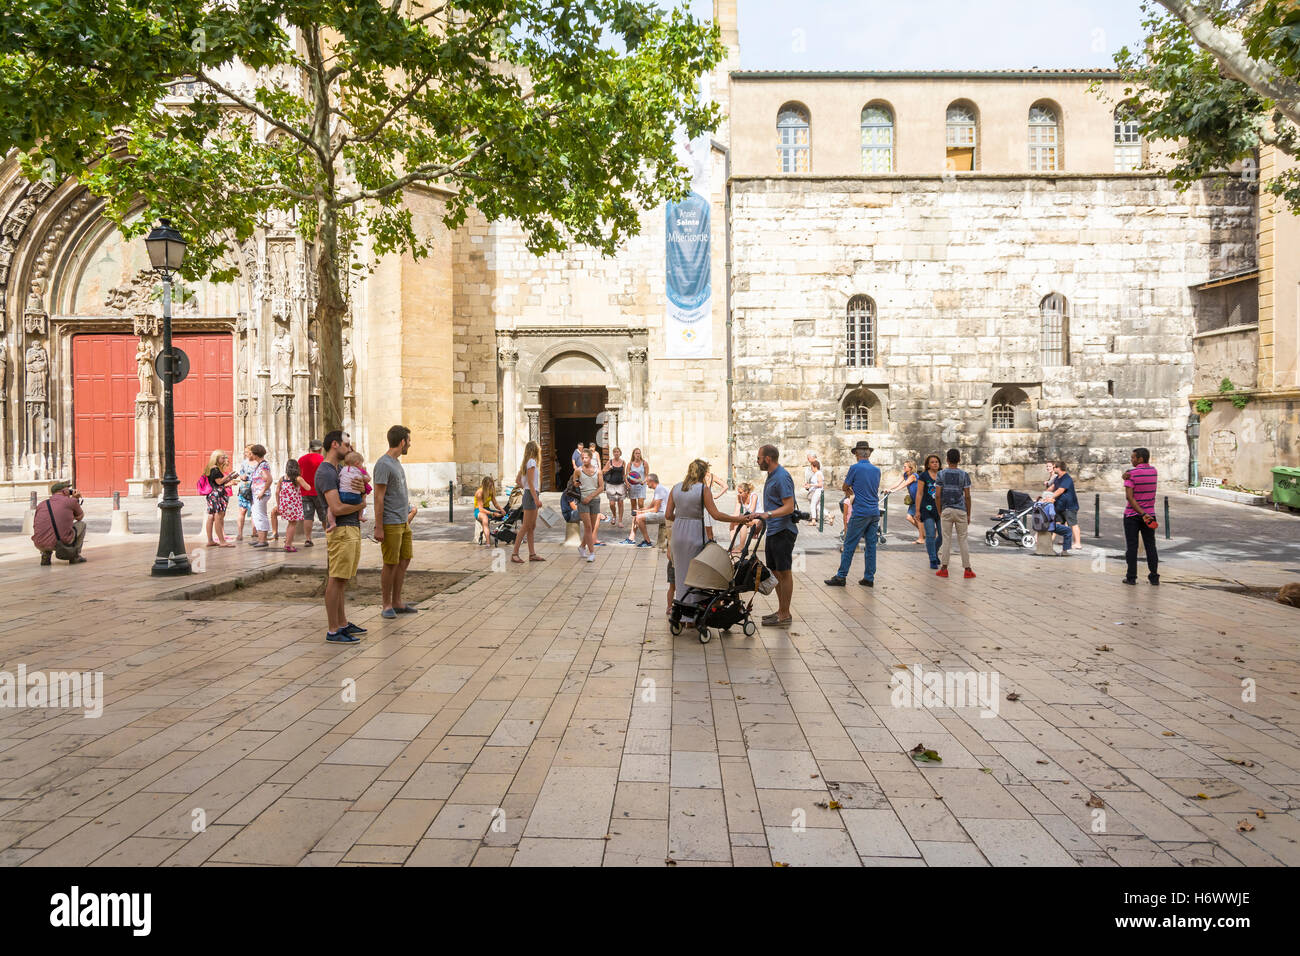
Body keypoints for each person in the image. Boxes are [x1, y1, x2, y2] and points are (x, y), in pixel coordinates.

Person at [665, 459, 752, 614]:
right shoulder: (703, 489)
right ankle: (694, 614)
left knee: (681, 574)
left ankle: (682, 611)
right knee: (696, 574)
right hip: (695, 532)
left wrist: (681, 520)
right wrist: (739, 519)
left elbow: (667, 514)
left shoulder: (676, 488)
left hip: (678, 533)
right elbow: (716, 515)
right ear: (704, 473)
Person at [315, 430, 367, 643]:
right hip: (341, 530)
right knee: (336, 579)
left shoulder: (340, 470)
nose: (350, 448)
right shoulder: (326, 472)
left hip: (351, 528)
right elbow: (335, 507)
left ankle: (342, 623)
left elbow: (359, 490)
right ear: (335, 444)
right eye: (347, 444)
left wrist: (362, 490)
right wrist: (362, 504)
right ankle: (333, 630)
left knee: (343, 579)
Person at [374, 424, 420, 618]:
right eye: (409, 441)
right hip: (390, 522)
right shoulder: (383, 464)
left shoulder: (396, 463)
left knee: (404, 559)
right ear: (402, 442)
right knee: (390, 563)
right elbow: (378, 497)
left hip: (402, 521)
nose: (410, 444)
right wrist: (379, 526)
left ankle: (397, 601)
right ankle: (386, 605)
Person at [750, 444, 797, 627]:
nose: (758, 461)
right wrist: (762, 522)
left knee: (784, 572)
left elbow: (789, 506)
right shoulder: (771, 476)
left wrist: (767, 515)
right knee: (775, 573)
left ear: (768, 459)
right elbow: (773, 505)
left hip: (784, 531)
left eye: (759, 458)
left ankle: (785, 613)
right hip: (773, 529)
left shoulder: (782, 477)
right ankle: (781, 610)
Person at [825, 441, 881, 587]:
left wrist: (850, 492)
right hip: (874, 511)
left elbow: (845, 486)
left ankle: (841, 576)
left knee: (849, 543)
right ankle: (869, 577)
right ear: (868, 453)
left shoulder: (855, 468)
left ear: (857, 454)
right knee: (871, 546)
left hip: (860, 511)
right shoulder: (876, 470)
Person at [934, 448, 975, 579]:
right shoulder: (964, 475)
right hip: (961, 509)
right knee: (963, 539)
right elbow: (967, 496)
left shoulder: (941, 474)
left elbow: (938, 495)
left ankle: (944, 569)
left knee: (946, 539)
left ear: (947, 459)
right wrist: (968, 513)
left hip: (946, 509)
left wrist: (939, 510)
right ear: (959, 460)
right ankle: (968, 569)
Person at [1122, 447, 1159, 586]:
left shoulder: (1131, 474)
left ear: (1140, 459)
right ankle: (1154, 577)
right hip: (1150, 515)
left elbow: (1129, 498)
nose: (1131, 460)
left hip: (1132, 515)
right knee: (1151, 546)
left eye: (1133, 458)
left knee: (1132, 547)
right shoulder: (1154, 472)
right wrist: (1146, 514)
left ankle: (1131, 577)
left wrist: (1141, 513)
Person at [32, 481, 86, 565]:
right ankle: (75, 556)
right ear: (64, 491)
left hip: (39, 543)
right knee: (82, 525)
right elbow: (80, 517)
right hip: (59, 542)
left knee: (48, 529)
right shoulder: (70, 501)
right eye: (69, 489)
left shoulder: (42, 504)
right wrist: (75, 499)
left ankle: (45, 554)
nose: (71, 491)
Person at [511, 440, 544, 563]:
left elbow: (518, 480)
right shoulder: (532, 462)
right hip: (531, 495)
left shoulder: (525, 463)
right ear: (535, 449)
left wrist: (524, 487)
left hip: (530, 494)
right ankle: (514, 553)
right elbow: (530, 482)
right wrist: (536, 499)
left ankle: (532, 554)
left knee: (531, 526)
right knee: (526, 526)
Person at [1044, 460, 1080, 555]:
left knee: (1073, 524)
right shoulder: (1058, 478)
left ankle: (1077, 543)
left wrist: (1050, 497)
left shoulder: (1066, 478)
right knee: (1056, 524)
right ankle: (1049, 546)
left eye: (1054, 467)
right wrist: (1044, 495)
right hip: (1059, 507)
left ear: (1058, 468)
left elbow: (1060, 490)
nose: (1053, 468)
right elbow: (1053, 487)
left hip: (1069, 506)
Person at [574, 448, 604, 563]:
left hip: (594, 500)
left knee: (591, 527)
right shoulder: (578, 470)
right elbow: (574, 484)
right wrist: (576, 484)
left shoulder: (598, 471)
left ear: (591, 458)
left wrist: (590, 497)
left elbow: (601, 487)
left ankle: (582, 546)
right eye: (582, 458)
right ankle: (591, 553)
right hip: (582, 501)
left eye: (586, 457)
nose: (584, 460)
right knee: (588, 527)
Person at [203, 450, 237, 547]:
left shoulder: (210, 468)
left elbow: (218, 482)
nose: (224, 459)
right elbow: (219, 482)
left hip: (212, 494)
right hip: (217, 495)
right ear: (216, 458)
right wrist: (229, 476)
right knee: (218, 517)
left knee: (211, 516)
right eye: (222, 457)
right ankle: (222, 541)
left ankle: (210, 540)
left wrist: (229, 478)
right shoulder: (215, 469)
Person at [916, 454, 944, 570]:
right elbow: (919, 493)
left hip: (941, 509)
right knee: (931, 534)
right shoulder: (924, 476)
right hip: (927, 508)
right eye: (932, 462)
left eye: (937, 462)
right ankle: (932, 558)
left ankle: (935, 550)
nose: (935, 463)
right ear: (928, 464)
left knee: (943, 536)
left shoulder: (943, 475)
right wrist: (917, 510)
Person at [275, 459, 310, 552]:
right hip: (294, 505)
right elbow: (308, 487)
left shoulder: (282, 479)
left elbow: (277, 492)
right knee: (293, 525)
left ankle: (288, 543)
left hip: (285, 505)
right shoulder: (297, 478)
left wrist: (278, 505)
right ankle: (288, 545)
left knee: (290, 524)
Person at [886, 460, 924, 544]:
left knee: (918, 518)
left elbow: (904, 484)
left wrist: (893, 491)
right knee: (909, 517)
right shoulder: (905, 475)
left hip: (920, 500)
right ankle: (925, 533)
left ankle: (922, 538)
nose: (903, 467)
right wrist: (889, 488)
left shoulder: (914, 476)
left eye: (905, 466)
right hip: (914, 500)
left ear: (910, 468)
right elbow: (898, 483)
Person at [298, 439, 325, 548]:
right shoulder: (323, 459)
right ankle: (329, 537)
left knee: (308, 516)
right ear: (320, 449)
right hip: (320, 492)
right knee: (324, 516)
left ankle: (308, 539)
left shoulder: (301, 459)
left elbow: (298, 475)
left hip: (305, 492)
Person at [627, 473, 668, 546]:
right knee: (637, 514)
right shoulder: (658, 488)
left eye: (647, 482)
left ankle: (647, 541)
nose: (646, 484)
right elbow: (650, 507)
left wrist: (641, 512)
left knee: (639, 518)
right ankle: (631, 538)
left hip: (664, 515)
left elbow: (655, 509)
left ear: (652, 481)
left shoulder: (659, 490)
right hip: (661, 513)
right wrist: (639, 510)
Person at [248, 444, 273, 548]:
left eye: (251, 453)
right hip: (257, 494)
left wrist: (262, 491)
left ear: (255, 454)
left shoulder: (263, 465)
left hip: (261, 494)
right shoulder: (260, 465)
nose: (250, 455)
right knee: (256, 515)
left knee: (260, 516)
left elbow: (269, 479)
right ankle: (260, 538)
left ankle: (262, 540)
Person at [336, 451, 371, 525]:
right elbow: (367, 479)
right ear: (357, 463)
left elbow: (339, 478)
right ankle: (360, 516)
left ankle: (332, 522)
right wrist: (366, 473)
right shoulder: (357, 471)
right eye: (362, 463)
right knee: (362, 500)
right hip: (354, 496)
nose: (362, 465)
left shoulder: (343, 469)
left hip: (342, 495)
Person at [474, 476, 505, 545]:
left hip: (487, 509)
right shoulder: (479, 493)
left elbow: (495, 504)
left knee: (504, 515)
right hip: (479, 510)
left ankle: (507, 536)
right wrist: (492, 513)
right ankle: (488, 542)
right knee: (485, 519)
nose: (490, 488)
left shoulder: (491, 491)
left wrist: (501, 509)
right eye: (489, 486)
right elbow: (481, 509)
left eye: (491, 486)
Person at [234, 445, 255, 541]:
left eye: (247, 452)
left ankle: (255, 532)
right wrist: (242, 476)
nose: (245, 454)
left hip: (254, 489)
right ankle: (240, 533)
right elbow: (241, 473)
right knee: (242, 511)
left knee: (254, 512)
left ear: (252, 452)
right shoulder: (244, 463)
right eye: (245, 452)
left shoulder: (257, 463)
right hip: (244, 489)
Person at [603, 447, 627, 528]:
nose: (616, 453)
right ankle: (614, 515)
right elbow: (603, 471)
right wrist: (608, 468)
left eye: (618, 452)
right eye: (615, 452)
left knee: (620, 503)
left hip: (620, 485)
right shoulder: (609, 462)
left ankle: (620, 521)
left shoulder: (623, 462)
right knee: (612, 504)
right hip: (611, 485)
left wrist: (626, 483)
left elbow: (624, 474)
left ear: (620, 453)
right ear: (613, 453)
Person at [626, 449, 648, 517]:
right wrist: (627, 483)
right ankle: (635, 520)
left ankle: (641, 518)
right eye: (636, 453)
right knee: (633, 505)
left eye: (639, 453)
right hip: (632, 487)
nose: (638, 455)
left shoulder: (644, 463)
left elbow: (647, 475)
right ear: (633, 454)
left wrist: (644, 481)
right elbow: (626, 475)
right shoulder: (630, 464)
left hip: (641, 486)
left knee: (641, 504)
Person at [806, 459, 825, 525]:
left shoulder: (818, 473)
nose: (811, 469)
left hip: (817, 491)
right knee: (818, 506)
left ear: (815, 467)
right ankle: (829, 515)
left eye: (812, 468)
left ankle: (813, 520)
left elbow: (820, 484)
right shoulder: (816, 474)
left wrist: (811, 485)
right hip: (816, 491)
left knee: (813, 505)